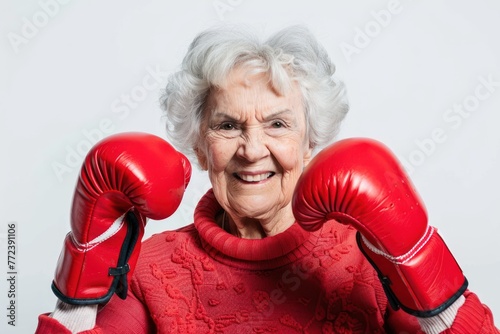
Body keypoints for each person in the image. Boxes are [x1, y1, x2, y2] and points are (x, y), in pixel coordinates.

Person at [36, 25, 498, 333]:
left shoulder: (370, 256)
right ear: (198, 145)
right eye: (228, 125)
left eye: (277, 124)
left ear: (310, 142)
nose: (252, 149)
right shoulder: (148, 269)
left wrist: (421, 265)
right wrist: (84, 269)